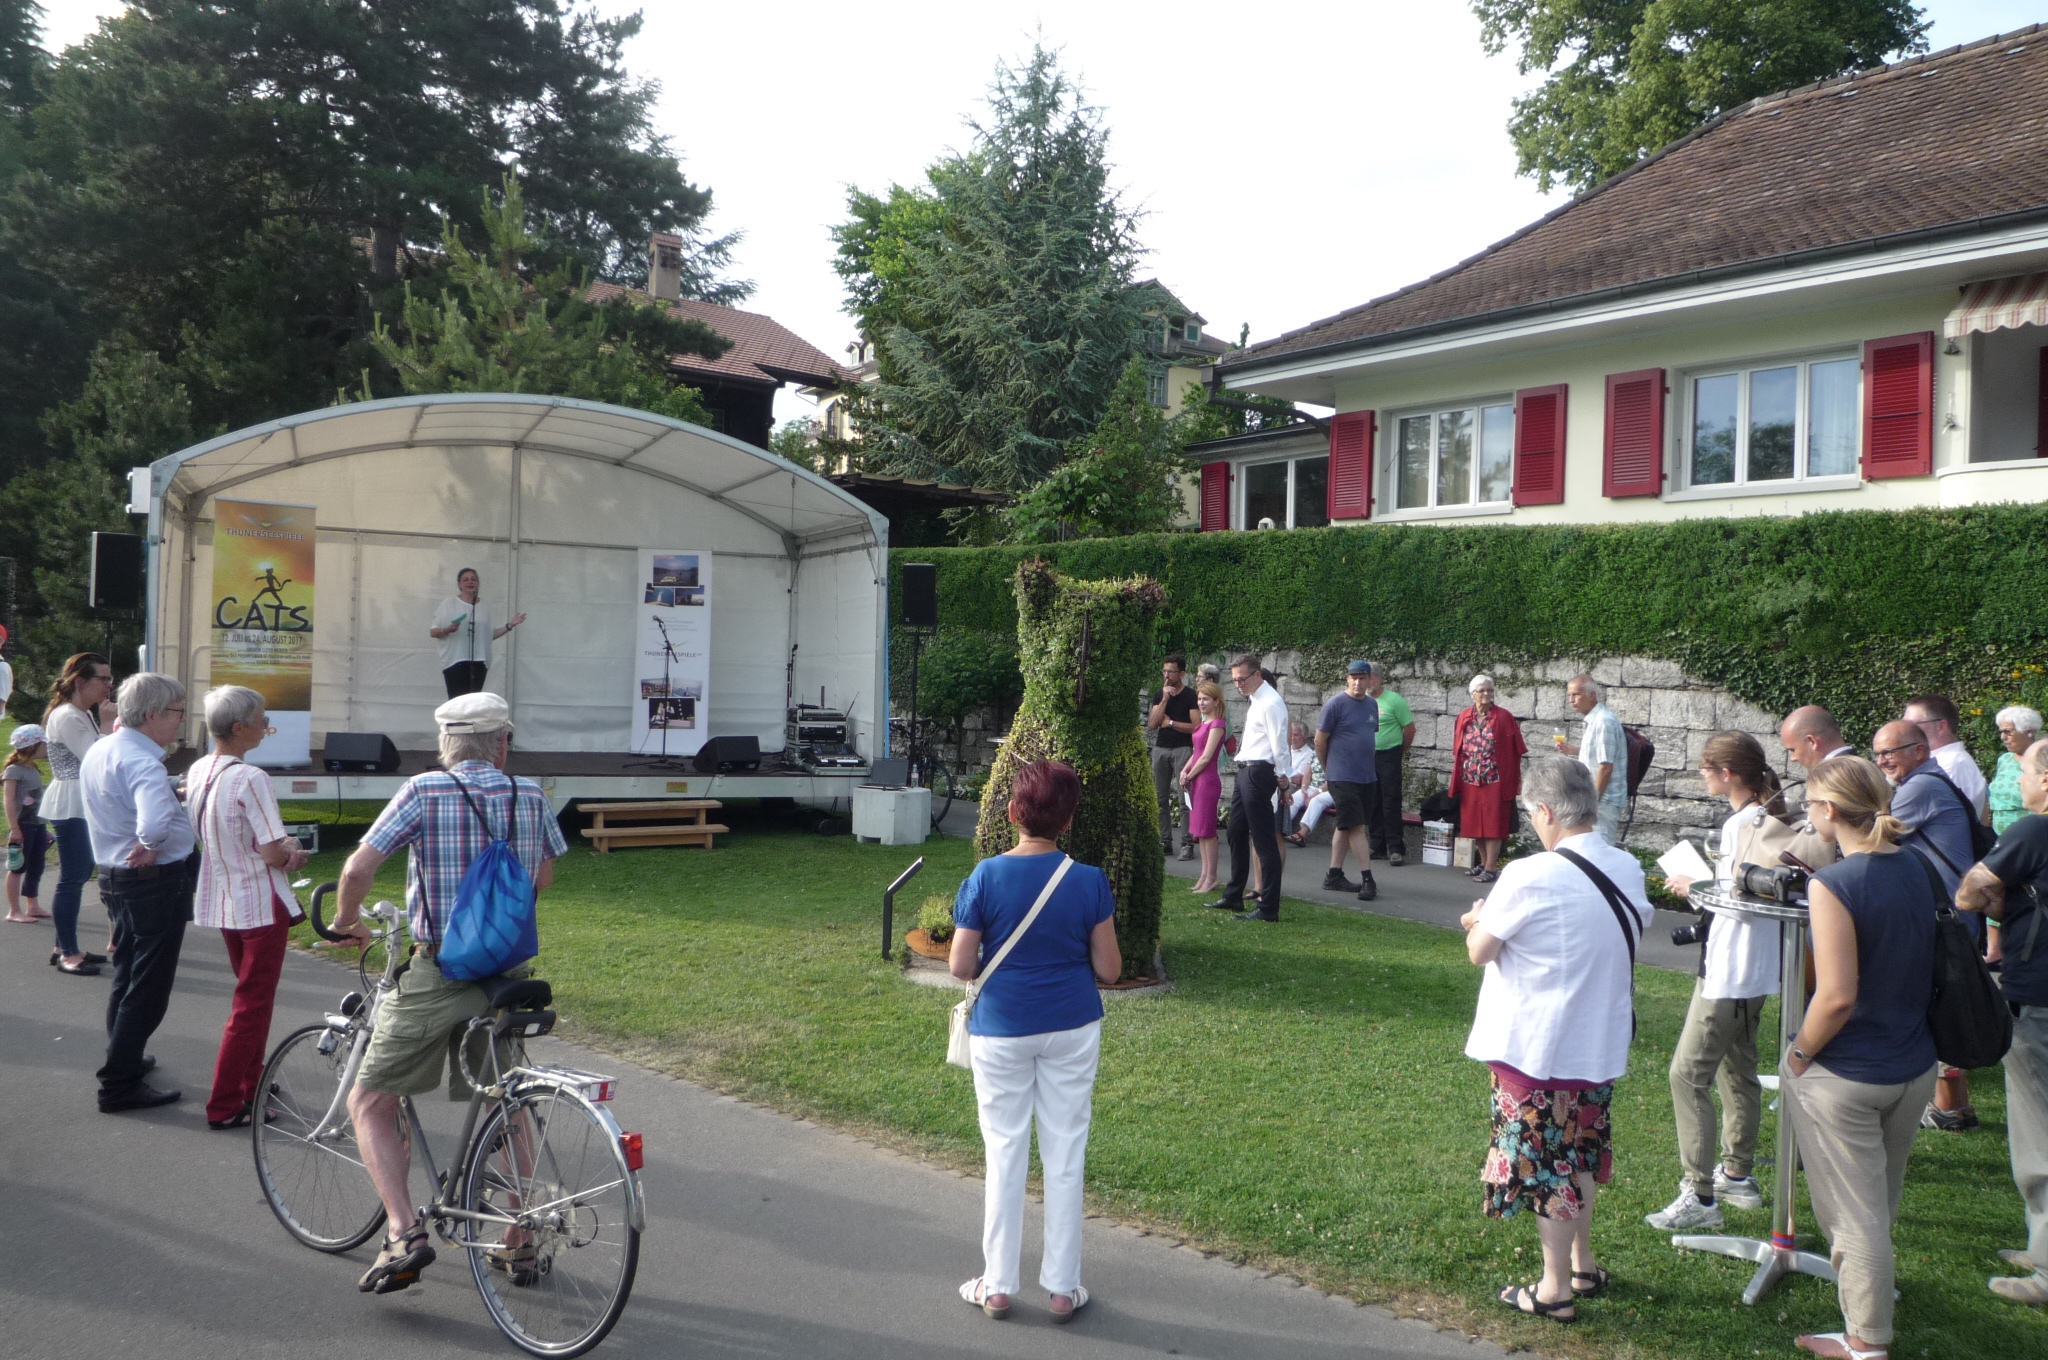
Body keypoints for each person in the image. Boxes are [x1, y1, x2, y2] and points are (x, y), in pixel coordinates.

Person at [329, 691, 566, 1295]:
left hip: (439, 971)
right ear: (503, 743)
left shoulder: (424, 791)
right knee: (505, 1103)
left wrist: (347, 919)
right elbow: (542, 875)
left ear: (446, 744)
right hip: (507, 974)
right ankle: (519, 1234)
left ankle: (402, 1233)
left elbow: (357, 868)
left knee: (370, 1101)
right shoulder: (530, 795)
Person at [1459, 757, 1651, 1324]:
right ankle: (1582, 1266)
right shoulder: (1627, 866)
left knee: (1549, 1167)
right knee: (1581, 1154)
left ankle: (1554, 1289)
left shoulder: (1528, 873)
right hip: (1596, 1041)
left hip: (1536, 1047)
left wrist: (1475, 919)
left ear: (1544, 811)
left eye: (1530, 814)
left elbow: (1480, 951)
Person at [1781, 756, 1940, 1360]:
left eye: (1810, 803)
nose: (1808, 813)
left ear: (1828, 809)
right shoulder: (1917, 865)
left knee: (1855, 1217)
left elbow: (1837, 996)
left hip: (1848, 1073)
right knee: (1878, 1202)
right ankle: (1872, 1305)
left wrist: (1798, 1054)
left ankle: (1866, 1341)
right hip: (1914, 1064)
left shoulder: (1834, 883)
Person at [950, 760, 1120, 1323]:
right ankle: (1063, 1288)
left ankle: (997, 1285)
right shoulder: (1089, 880)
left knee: (1004, 1152)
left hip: (1001, 1026)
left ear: (1011, 812)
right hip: (1072, 1023)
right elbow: (1111, 969)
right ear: (1068, 821)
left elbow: (960, 965)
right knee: (1065, 1152)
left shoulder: (986, 875)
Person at [1648, 732, 1808, 1231]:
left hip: (1730, 970)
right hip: (1754, 970)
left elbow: (1738, 903)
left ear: (1728, 773)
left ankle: (1699, 1194)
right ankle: (1736, 1174)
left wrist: (1693, 887)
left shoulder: (1744, 824)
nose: (1702, 776)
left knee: (1686, 1075)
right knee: (1737, 1071)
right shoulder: (1768, 818)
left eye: (1706, 768)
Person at [186, 686, 311, 1129]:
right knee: (252, 1004)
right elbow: (272, 851)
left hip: (225, 898)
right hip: (259, 901)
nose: (266, 728)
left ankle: (250, 1082)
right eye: (262, 721)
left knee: (252, 999)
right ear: (240, 728)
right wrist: (292, 851)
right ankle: (224, 1103)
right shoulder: (250, 777)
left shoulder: (199, 768)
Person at [1956, 736, 2048, 1306]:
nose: (2019, 781)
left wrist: (1998, 900)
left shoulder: (2035, 831)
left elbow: (1972, 890)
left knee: (2040, 1140)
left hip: (2037, 1001)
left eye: (2025, 771)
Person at [80, 673, 195, 1112]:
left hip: (115, 876)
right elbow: (153, 824)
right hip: (152, 882)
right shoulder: (144, 762)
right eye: (177, 712)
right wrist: (150, 842)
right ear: (152, 715)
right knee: (148, 986)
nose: (181, 720)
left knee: (127, 973)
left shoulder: (104, 748)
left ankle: (124, 1056)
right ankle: (119, 1083)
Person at [1874, 717, 1981, 1133]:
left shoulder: (1920, 787)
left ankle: (1946, 1107)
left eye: (1889, 752)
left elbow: (1876, 838)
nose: (1882, 761)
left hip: (1944, 920)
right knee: (1942, 1007)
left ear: (1919, 750)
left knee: (1932, 1009)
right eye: (1877, 754)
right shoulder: (1929, 782)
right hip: (1953, 917)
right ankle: (1954, 1107)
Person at [43, 653, 112, 975]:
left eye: (110, 678)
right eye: (103, 678)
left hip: (80, 801)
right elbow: (95, 758)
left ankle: (63, 946)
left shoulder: (80, 713)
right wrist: (109, 726)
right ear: (81, 682)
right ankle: (68, 953)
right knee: (73, 877)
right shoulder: (68, 715)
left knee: (79, 873)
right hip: (71, 803)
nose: (109, 685)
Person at [1207, 655, 1290, 922]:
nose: (1238, 684)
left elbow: (1279, 744)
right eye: (1234, 680)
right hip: (1247, 770)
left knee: (1264, 841)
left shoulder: (1271, 702)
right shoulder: (1256, 699)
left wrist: (1284, 780)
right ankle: (1234, 895)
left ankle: (1268, 908)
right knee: (1235, 831)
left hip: (1259, 771)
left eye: (1242, 679)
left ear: (1257, 675)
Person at [1312, 660, 1380, 900]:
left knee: (1345, 825)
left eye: (1362, 678)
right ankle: (1368, 879)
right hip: (1341, 776)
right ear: (1348, 679)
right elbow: (1320, 740)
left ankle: (1334, 875)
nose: (1358, 683)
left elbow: (1368, 736)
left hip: (1366, 776)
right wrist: (1329, 769)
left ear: (1369, 680)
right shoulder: (1335, 704)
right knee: (1356, 827)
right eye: (1354, 678)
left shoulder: (1372, 705)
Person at [1450, 675, 1527, 883]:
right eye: (1482, 690)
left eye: (1489, 690)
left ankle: (1491, 867)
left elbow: (1516, 750)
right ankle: (1483, 863)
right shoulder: (1464, 716)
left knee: (1494, 824)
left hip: (1494, 778)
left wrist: (1512, 779)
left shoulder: (1503, 717)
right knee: (1475, 824)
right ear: (1472, 694)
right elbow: (1458, 748)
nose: (1486, 694)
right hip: (1470, 778)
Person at [429, 567, 526, 699]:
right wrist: (447, 630)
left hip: (479, 662)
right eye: (466, 579)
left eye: (473, 579)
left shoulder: (484, 606)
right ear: (459, 584)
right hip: (456, 661)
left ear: (478, 583)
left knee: (473, 703)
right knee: (458, 703)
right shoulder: (449, 603)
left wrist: (510, 625)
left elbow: (489, 636)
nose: (470, 582)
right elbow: (433, 632)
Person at [1559, 675, 1629, 844]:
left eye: (1576, 695)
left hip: (1603, 801)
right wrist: (1574, 750)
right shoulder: (1595, 720)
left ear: (1591, 696)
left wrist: (1593, 802)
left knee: (1600, 848)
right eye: (1569, 695)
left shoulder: (1603, 722)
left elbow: (1606, 767)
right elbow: (1600, 755)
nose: (1571, 700)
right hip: (1594, 799)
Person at [1905, 693, 1989, 822]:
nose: (1905, 730)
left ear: (1941, 726)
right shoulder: (1949, 762)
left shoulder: (1950, 766)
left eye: (1913, 725)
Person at [1147, 655, 1199, 860]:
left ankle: (1187, 843)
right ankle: (1165, 841)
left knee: (1184, 798)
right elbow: (1153, 723)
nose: (1167, 675)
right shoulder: (1160, 694)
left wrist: (1170, 723)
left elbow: (1196, 727)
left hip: (1182, 749)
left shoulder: (1190, 695)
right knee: (1160, 798)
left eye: (1171, 671)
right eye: (1165, 671)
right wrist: (1165, 699)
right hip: (1161, 748)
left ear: (1182, 674)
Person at [1178, 682, 1228, 895]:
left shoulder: (1217, 724)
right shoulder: (1204, 723)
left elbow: (1207, 757)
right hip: (1197, 779)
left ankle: (1211, 877)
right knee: (1200, 831)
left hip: (1207, 781)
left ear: (1216, 701)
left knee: (1208, 831)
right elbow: (1196, 752)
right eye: (1199, 699)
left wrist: (1189, 774)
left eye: (1205, 699)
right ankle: (1204, 875)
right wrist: (1185, 769)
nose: (1201, 703)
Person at [1364, 664, 1416, 866]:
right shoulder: (1361, 701)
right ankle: (1377, 846)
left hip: (1389, 755)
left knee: (1391, 801)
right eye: (1365, 678)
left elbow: (1409, 729)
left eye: (1371, 677)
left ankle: (1395, 848)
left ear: (1380, 679)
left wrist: (1399, 751)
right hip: (1368, 756)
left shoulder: (1394, 701)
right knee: (1372, 801)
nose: (1368, 682)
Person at [6, 724, 50, 923]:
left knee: (37, 866)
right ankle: (14, 911)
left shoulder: (32, 768)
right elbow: (8, 800)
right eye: (43, 744)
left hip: (38, 824)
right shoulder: (14, 770)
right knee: (17, 867)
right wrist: (14, 828)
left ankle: (32, 905)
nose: (46, 748)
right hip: (23, 825)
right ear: (32, 746)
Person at [1990, 706, 2043, 835]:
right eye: (2001, 732)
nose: (2003, 737)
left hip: (2029, 834)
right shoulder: (2004, 759)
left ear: (2028, 731)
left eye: (2008, 732)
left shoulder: (2041, 759)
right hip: (2000, 836)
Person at [1780, 705, 1856, 779]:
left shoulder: (1832, 779)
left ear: (1812, 742)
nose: (1793, 758)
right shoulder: (1859, 767)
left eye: (1793, 750)